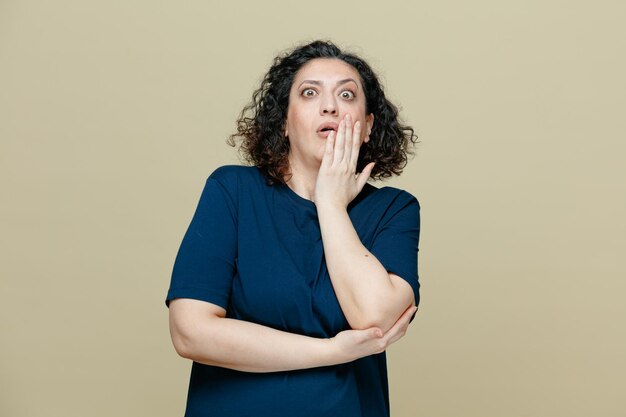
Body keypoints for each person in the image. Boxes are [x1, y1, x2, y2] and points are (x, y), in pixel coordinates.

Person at [165, 40, 421, 417]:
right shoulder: (232, 191)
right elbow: (190, 332)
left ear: (367, 127)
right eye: (309, 92)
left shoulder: (394, 209)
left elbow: (375, 319)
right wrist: (331, 351)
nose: (330, 105)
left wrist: (330, 203)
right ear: (284, 121)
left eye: (347, 94)